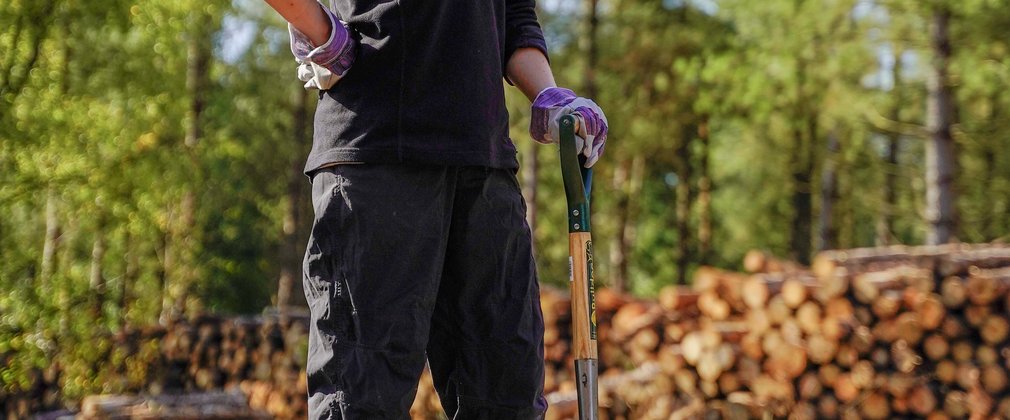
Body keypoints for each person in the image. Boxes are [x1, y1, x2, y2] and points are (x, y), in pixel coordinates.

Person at [263, 0, 609, 418]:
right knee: (363, 396)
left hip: (483, 168)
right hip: (376, 156)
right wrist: (318, 30)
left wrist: (551, 96)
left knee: (505, 396)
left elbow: (515, 15)